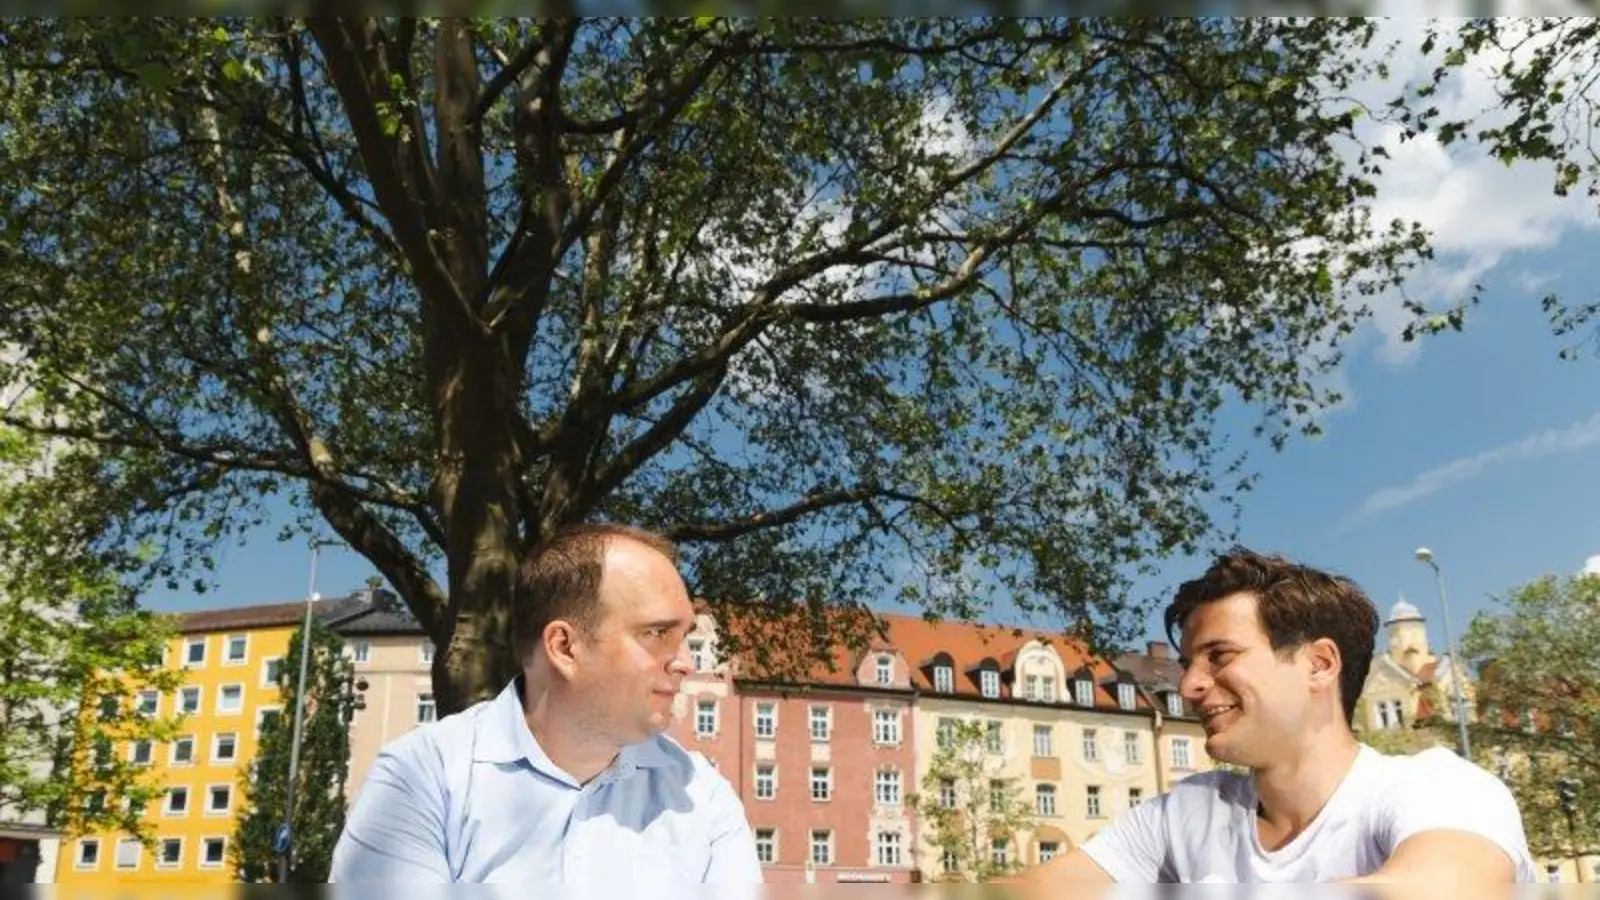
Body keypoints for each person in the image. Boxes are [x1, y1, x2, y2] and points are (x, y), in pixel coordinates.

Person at [1012, 547, 1536, 884]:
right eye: (1188, 664)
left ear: (1319, 664)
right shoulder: (1188, 813)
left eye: (1219, 657)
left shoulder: (1439, 786)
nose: (1190, 685)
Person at [329, 523, 762, 882]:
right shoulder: (424, 780)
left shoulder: (701, 796)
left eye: (684, 637)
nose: (685, 663)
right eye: (656, 633)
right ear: (565, 647)